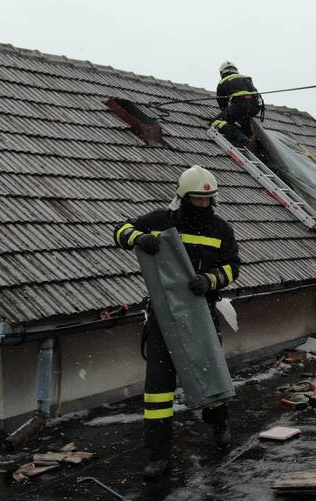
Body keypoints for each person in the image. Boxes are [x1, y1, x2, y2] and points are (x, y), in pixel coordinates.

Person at [113, 165, 240, 479]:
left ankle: (219, 423)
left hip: (202, 314)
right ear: (183, 197)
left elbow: (233, 267)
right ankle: (158, 455)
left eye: (209, 200)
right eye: (198, 199)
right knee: (158, 389)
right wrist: (139, 239)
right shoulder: (160, 221)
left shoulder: (221, 229)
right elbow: (120, 230)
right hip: (163, 317)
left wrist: (210, 280)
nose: (204, 205)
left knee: (211, 377)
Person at [211, 61, 261, 147]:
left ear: (222, 72)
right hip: (255, 107)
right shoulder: (246, 78)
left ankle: (240, 138)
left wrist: (227, 115)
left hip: (241, 105)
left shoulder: (223, 82)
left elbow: (223, 104)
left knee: (217, 122)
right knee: (243, 118)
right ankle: (249, 135)